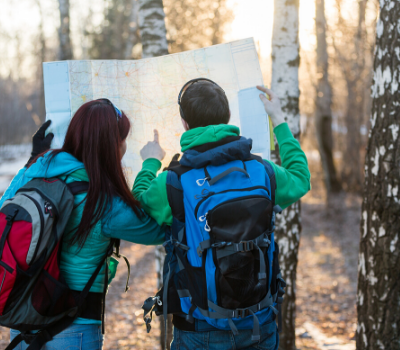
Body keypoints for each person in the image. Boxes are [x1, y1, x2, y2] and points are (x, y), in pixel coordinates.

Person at [133, 80, 311, 350]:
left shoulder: (173, 182)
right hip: (259, 323)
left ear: (185, 123)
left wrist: (151, 161)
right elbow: (301, 177)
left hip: (199, 329)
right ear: (228, 118)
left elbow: (139, 202)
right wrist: (279, 120)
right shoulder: (262, 171)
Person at [0, 99, 166, 350]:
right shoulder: (101, 202)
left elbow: (5, 210)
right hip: (72, 331)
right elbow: (158, 230)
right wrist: (151, 164)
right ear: (112, 146)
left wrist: (34, 159)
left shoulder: (34, 172)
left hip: (22, 329)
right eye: (122, 139)